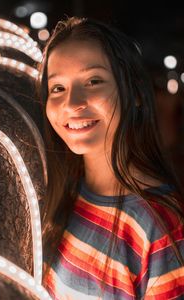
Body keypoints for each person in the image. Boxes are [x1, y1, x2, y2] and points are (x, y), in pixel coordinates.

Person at [37, 16, 184, 299]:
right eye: (58, 88)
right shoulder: (58, 194)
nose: (72, 103)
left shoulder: (161, 228)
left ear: (136, 93)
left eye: (93, 81)